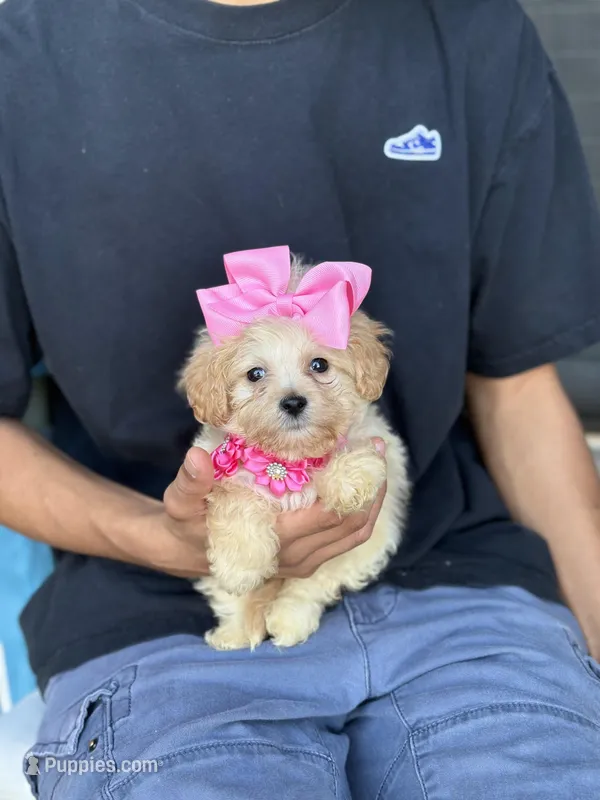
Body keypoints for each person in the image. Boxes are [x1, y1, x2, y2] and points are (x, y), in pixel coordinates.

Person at [1, 0, 600, 796]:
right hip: (169, 622)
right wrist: (163, 537)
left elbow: (518, 390)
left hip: (466, 602)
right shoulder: (23, 54)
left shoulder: (472, 30)